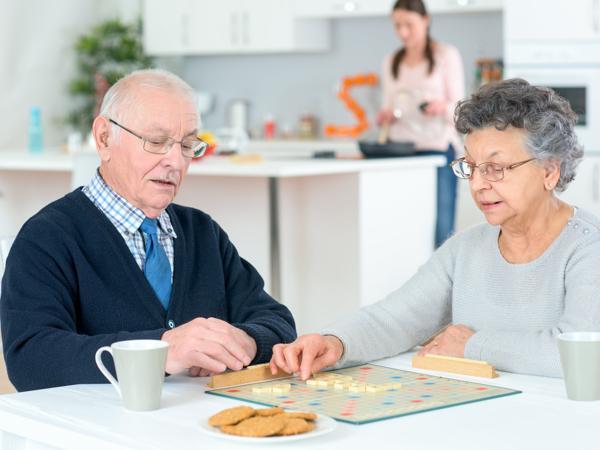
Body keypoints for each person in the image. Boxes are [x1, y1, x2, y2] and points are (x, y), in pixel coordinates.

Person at [270, 78, 600, 380]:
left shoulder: (588, 247)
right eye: (471, 167)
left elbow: (582, 356)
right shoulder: (466, 248)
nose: (479, 184)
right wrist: (334, 342)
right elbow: (395, 319)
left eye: (496, 168)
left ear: (549, 172)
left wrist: (472, 345)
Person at [0, 69, 296, 391]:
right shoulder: (47, 237)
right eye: (156, 142)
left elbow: (277, 323)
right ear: (104, 138)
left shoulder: (202, 232)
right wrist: (163, 350)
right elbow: (30, 359)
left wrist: (246, 341)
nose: (175, 162)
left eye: (187, 145)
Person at [377, 0, 465, 248]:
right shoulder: (391, 61)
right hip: (400, 152)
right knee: (404, 225)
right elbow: (390, 106)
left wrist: (441, 108)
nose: (402, 32)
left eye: (409, 25)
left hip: (438, 151)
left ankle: (444, 287)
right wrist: (387, 115)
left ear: (425, 21)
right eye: (397, 26)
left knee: (441, 229)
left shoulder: (445, 56)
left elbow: (461, 112)